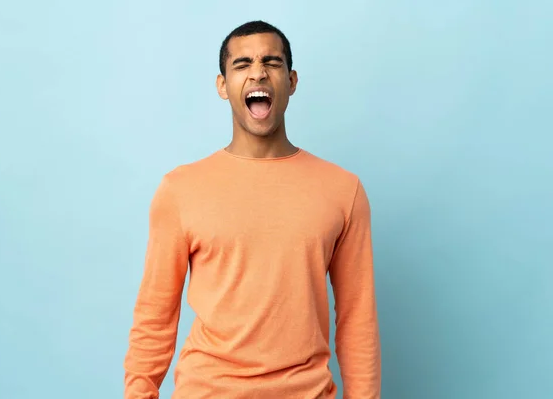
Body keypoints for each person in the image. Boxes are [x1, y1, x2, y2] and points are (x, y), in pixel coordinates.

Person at [124, 20, 381, 399]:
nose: (258, 72)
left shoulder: (344, 191)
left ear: (291, 82)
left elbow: (358, 319)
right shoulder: (180, 190)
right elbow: (155, 317)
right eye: (242, 64)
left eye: (272, 62)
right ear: (222, 85)